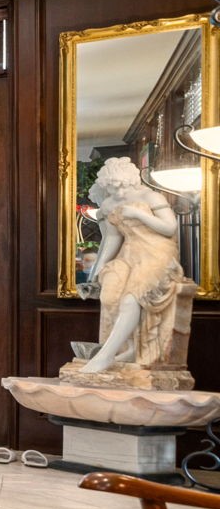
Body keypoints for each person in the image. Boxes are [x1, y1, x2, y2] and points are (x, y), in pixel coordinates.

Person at [78, 157, 187, 375]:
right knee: (110, 294)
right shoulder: (108, 205)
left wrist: (139, 214)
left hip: (157, 251)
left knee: (131, 299)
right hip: (129, 253)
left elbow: (169, 228)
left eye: (122, 187)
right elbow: (112, 238)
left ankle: (105, 356)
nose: (118, 192)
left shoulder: (150, 196)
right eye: (112, 188)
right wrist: (98, 268)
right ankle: (130, 349)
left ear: (130, 181)